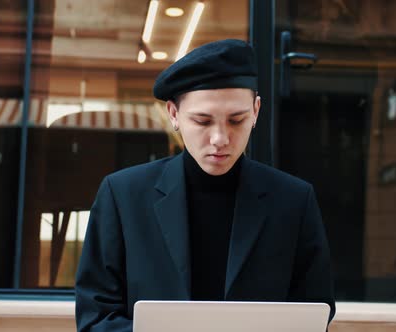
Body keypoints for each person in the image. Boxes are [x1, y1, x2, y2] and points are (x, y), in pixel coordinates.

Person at [75, 39, 335, 332]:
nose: (220, 139)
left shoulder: (294, 201)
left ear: (256, 111)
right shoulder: (123, 195)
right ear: (173, 114)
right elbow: (95, 317)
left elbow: (315, 312)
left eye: (236, 120)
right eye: (202, 121)